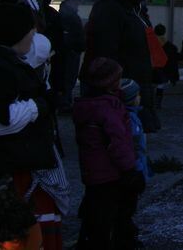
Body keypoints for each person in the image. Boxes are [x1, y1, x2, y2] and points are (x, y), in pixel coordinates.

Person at [0, 2, 66, 250]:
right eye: (31, 29)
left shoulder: (7, 62)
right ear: (18, 32)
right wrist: (40, 105)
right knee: (20, 238)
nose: (34, 34)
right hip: (13, 171)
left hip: (19, 166)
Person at [73, 58, 145, 249]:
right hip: (112, 172)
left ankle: (89, 240)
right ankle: (119, 241)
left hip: (92, 171)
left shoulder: (85, 105)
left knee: (95, 210)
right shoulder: (109, 107)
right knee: (116, 211)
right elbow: (119, 142)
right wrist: (130, 168)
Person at [84, 0, 160, 132]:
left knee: (136, 136)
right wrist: (115, 83)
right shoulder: (110, 8)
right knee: (121, 135)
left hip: (139, 80)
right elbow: (104, 49)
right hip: (120, 84)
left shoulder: (137, 8)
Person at [56, 0, 85, 113]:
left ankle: (65, 101)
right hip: (69, 54)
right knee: (67, 78)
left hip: (71, 52)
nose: (77, 4)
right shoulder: (68, 15)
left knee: (69, 78)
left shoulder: (68, 14)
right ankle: (64, 103)